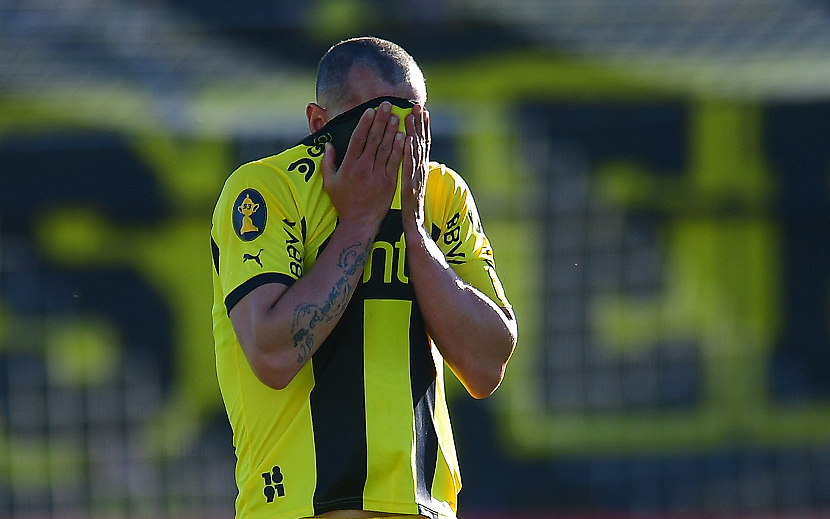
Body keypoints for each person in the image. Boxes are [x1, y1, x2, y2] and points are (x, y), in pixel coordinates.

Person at [210, 36, 517, 519]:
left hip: (423, 510)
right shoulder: (266, 190)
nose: (391, 139)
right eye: (371, 120)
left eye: (409, 122)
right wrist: (358, 224)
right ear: (318, 123)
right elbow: (272, 353)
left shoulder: (439, 193)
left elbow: (487, 365)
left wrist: (414, 232)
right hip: (301, 507)